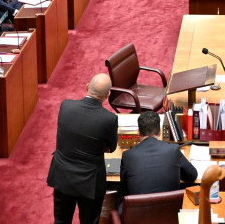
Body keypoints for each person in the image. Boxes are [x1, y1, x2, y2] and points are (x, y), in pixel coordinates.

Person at [47, 74, 118, 224]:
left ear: (87, 87)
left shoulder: (66, 106)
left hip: (63, 176)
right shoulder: (109, 119)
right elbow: (111, 148)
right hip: (90, 182)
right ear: (108, 95)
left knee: (60, 220)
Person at [118, 111, 197, 204]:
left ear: (138, 132)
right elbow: (192, 175)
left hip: (138, 216)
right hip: (170, 215)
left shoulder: (128, 156)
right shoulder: (173, 150)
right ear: (160, 132)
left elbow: (123, 189)